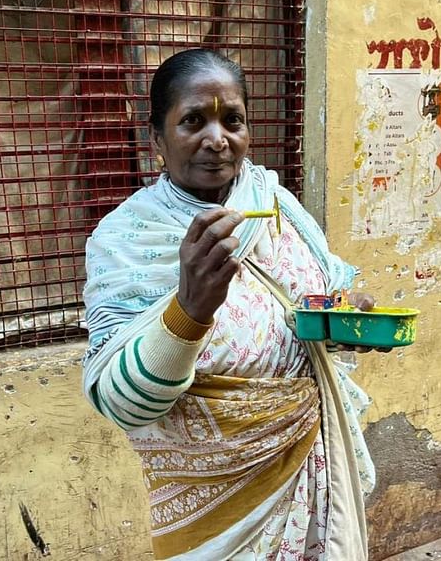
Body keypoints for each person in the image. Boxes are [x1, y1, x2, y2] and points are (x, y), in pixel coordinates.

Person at [82, 48, 380, 560]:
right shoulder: (126, 239)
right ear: (157, 140)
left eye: (232, 121)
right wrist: (189, 309)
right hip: (218, 504)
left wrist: (347, 314)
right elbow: (120, 405)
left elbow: (321, 290)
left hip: (312, 459)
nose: (216, 140)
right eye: (193, 120)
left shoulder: (273, 202)